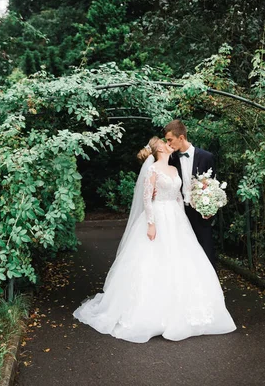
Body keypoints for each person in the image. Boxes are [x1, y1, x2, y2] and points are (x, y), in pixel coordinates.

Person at [73, 137, 236, 343]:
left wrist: (193, 210)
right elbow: (147, 199)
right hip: (157, 216)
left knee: (183, 261)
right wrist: (151, 223)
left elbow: (178, 196)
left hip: (176, 218)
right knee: (153, 261)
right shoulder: (153, 170)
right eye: (165, 142)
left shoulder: (174, 170)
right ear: (159, 148)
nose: (169, 144)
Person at [164, 120, 218, 270]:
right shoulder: (171, 159)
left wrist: (210, 209)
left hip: (201, 212)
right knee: (183, 252)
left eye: (170, 140)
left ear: (181, 137)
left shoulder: (206, 157)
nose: (168, 144)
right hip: (179, 212)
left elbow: (214, 185)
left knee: (206, 251)